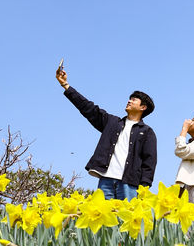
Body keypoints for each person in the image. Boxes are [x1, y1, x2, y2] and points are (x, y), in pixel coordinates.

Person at [55, 66, 157, 200]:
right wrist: (65, 85)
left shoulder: (147, 132)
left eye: (134, 99)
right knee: (104, 219)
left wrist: (144, 188)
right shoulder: (112, 122)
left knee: (126, 219)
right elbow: (88, 108)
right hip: (106, 180)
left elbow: (149, 162)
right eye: (129, 98)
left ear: (143, 107)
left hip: (130, 184)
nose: (129, 100)